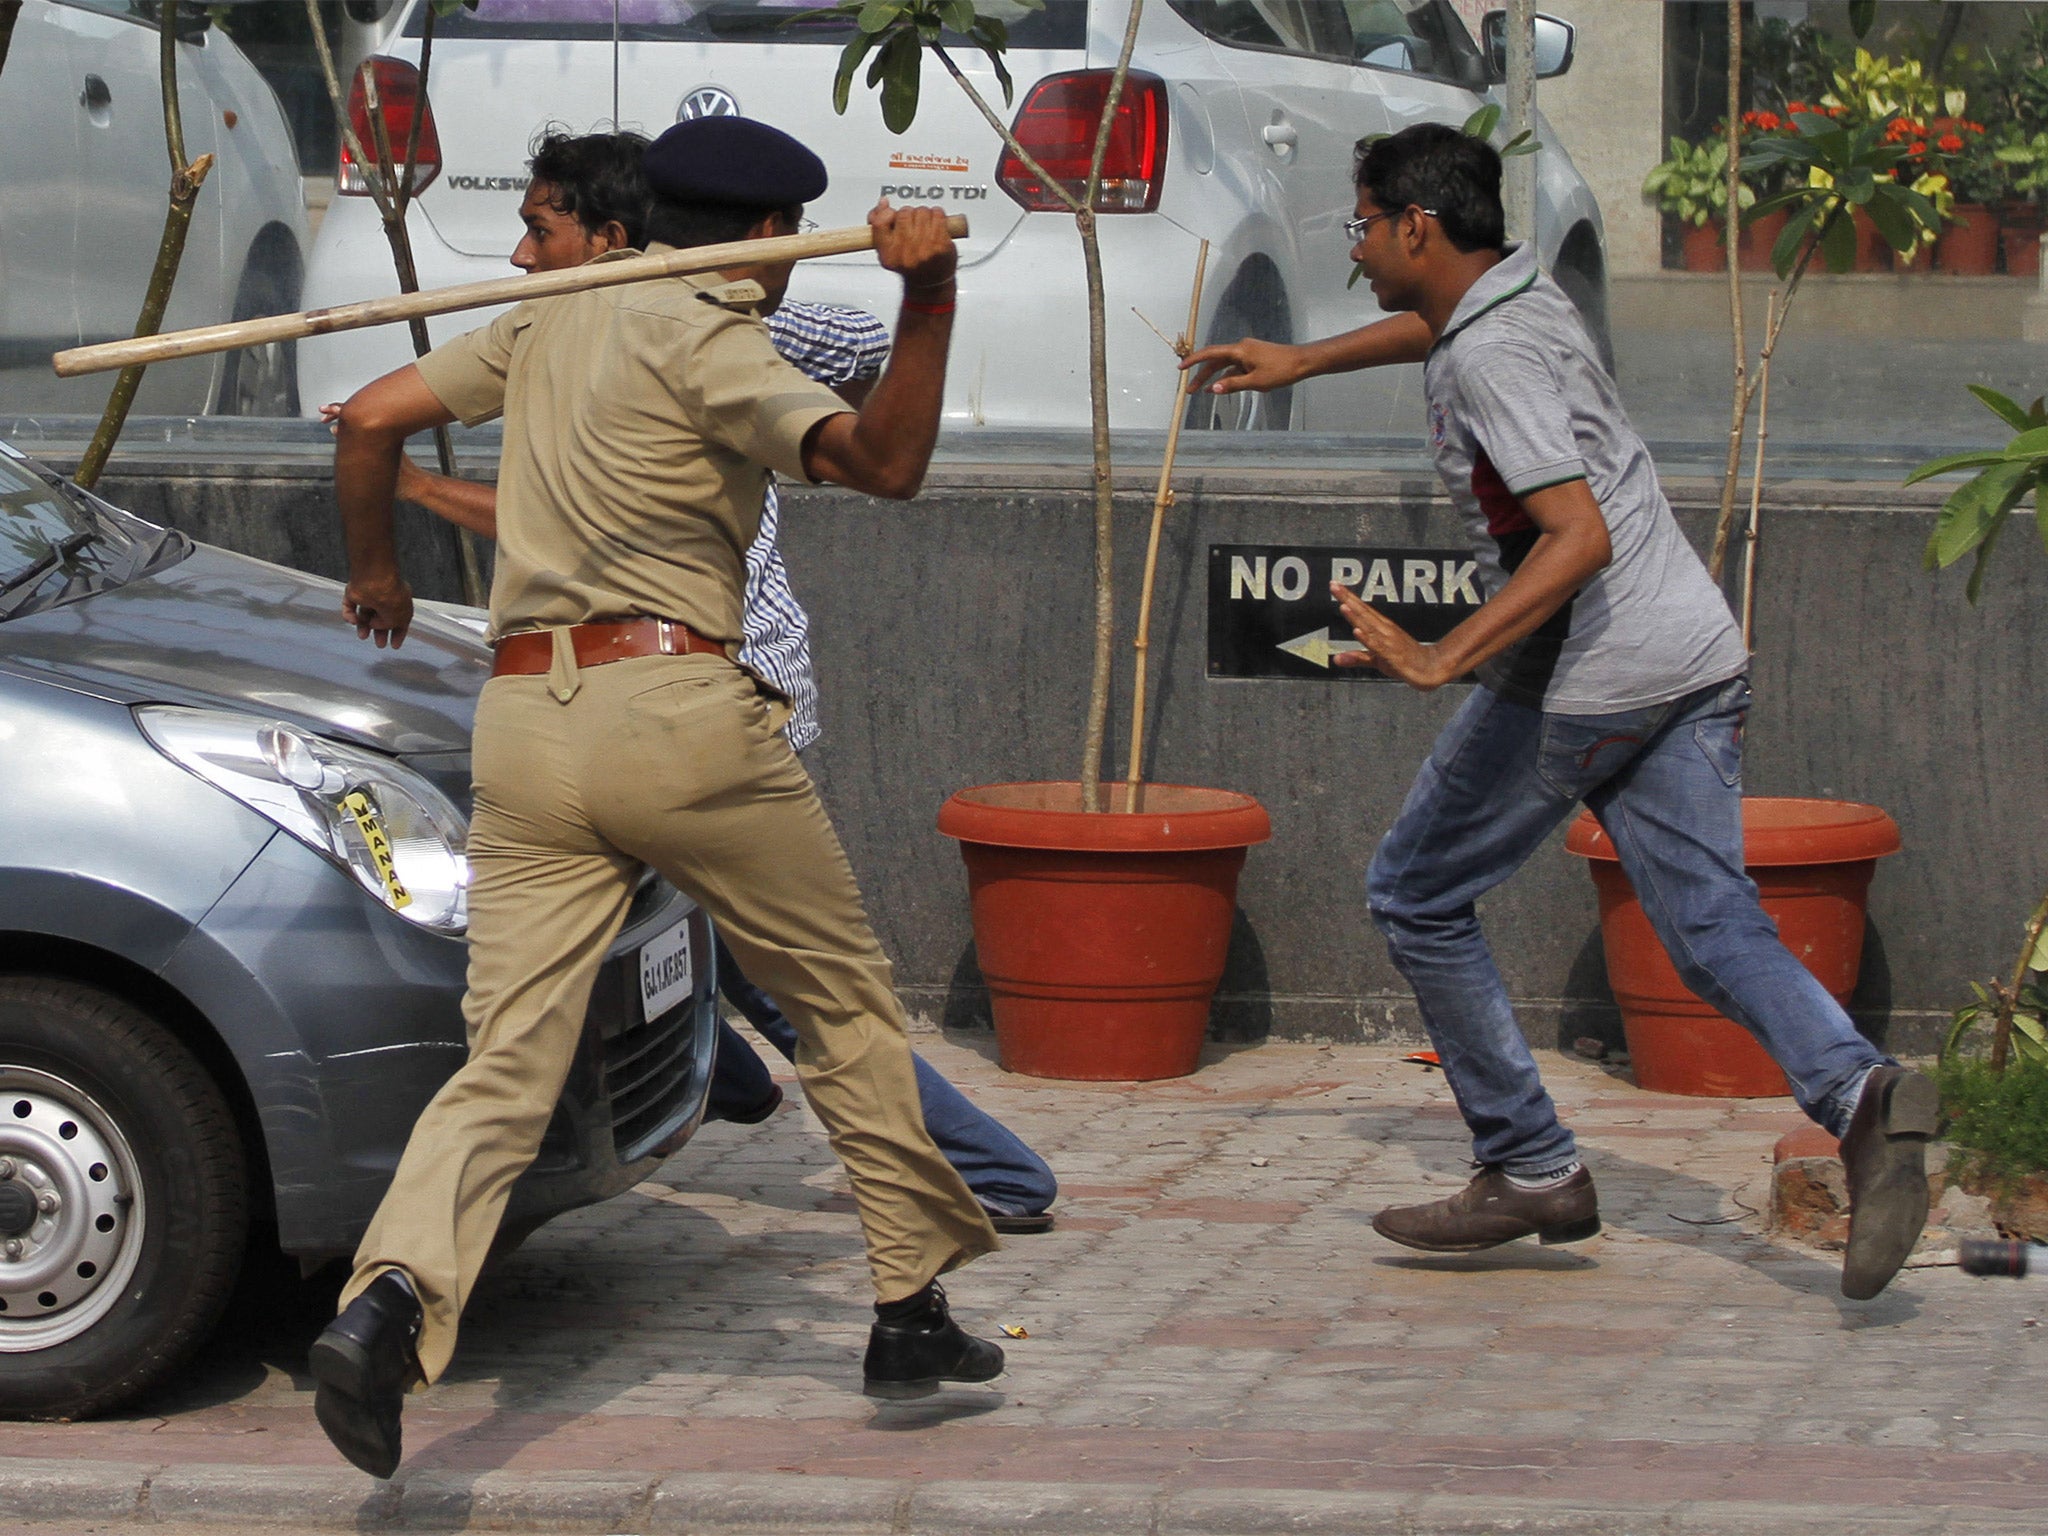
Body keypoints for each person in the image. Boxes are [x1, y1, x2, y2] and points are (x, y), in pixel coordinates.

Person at [308, 116, 1005, 1481]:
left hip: (520, 722)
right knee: (841, 1007)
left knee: (506, 1059)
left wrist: (377, 572)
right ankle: (908, 1310)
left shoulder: (544, 317)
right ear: (761, 242)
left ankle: (390, 1300)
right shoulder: (719, 338)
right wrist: (928, 298)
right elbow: (887, 465)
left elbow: (371, 419)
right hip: (676, 715)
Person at [1183, 122, 1936, 1302]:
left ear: (1416, 228)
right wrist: (1298, 361)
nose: (1358, 249)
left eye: (1363, 226)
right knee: (1709, 923)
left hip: (1586, 672)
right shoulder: (1518, 291)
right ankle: (1861, 1095)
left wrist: (1440, 657)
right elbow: (1432, 323)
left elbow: (1572, 535)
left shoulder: (1487, 360)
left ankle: (1530, 1163)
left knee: (1415, 890)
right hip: (1688, 648)